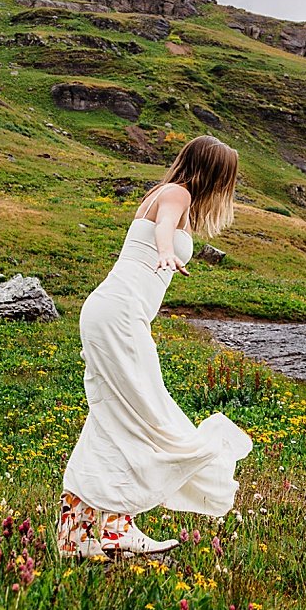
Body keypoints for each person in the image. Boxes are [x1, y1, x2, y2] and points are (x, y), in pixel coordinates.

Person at [55, 135, 253, 558]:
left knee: (114, 415)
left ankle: (83, 532)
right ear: (210, 171)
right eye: (225, 178)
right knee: (146, 412)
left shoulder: (162, 192)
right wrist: (167, 251)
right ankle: (112, 528)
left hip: (112, 313)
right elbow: (164, 228)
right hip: (119, 314)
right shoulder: (176, 193)